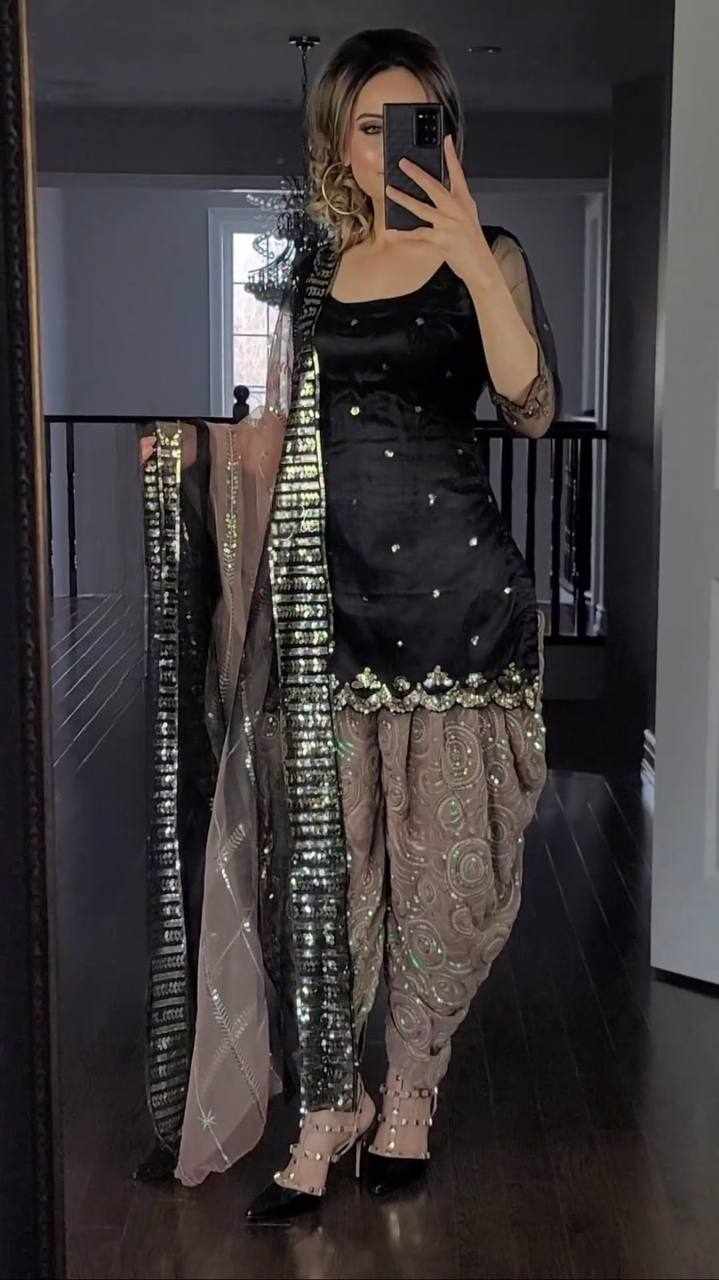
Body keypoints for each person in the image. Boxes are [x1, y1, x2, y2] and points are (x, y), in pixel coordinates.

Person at [138, 26, 561, 1221]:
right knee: (325, 870)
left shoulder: (490, 253)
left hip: (458, 610)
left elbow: (530, 407)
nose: (389, 148)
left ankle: (409, 1088)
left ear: (446, 132)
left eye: (412, 123)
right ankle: (333, 1094)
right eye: (369, 126)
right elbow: (286, 433)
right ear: (336, 138)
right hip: (334, 611)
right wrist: (187, 459)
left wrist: (469, 254)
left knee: (441, 876)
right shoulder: (319, 268)